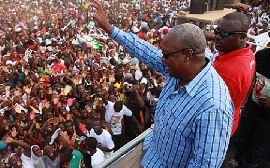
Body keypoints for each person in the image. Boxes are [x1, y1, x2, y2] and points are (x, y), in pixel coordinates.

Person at [91, 0, 234, 167]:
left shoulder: (213, 106)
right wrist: (110, 29)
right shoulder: (178, 70)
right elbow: (144, 50)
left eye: (166, 55)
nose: (162, 59)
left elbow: (205, 164)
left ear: (187, 55)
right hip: (154, 156)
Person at [212, 12, 256, 136]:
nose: (217, 37)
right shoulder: (248, 52)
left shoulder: (227, 72)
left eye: (224, 34)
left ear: (241, 37)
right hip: (232, 118)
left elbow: (211, 110)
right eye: (217, 31)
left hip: (216, 129)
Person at [232, 48, 270, 167]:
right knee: (242, 140)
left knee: (256, 147)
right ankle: (237, 161)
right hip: (251, 108)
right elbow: (251, 79)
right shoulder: (261, 55)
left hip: (267, 119)